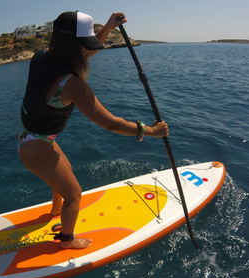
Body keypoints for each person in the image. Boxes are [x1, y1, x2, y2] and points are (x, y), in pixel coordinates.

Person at [17, 11, 169, 249]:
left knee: (63, 174)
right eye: (84, 45)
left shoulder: (42, 57)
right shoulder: (73, 85)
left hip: (33, 138)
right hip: (36, 147)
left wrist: (108, 27)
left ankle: (56, 212)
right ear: (73, 46)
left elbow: (86, 51)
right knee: (75, 194)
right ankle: (67, 239)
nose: (88, 51)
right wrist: (150, 131)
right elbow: (110, 123)